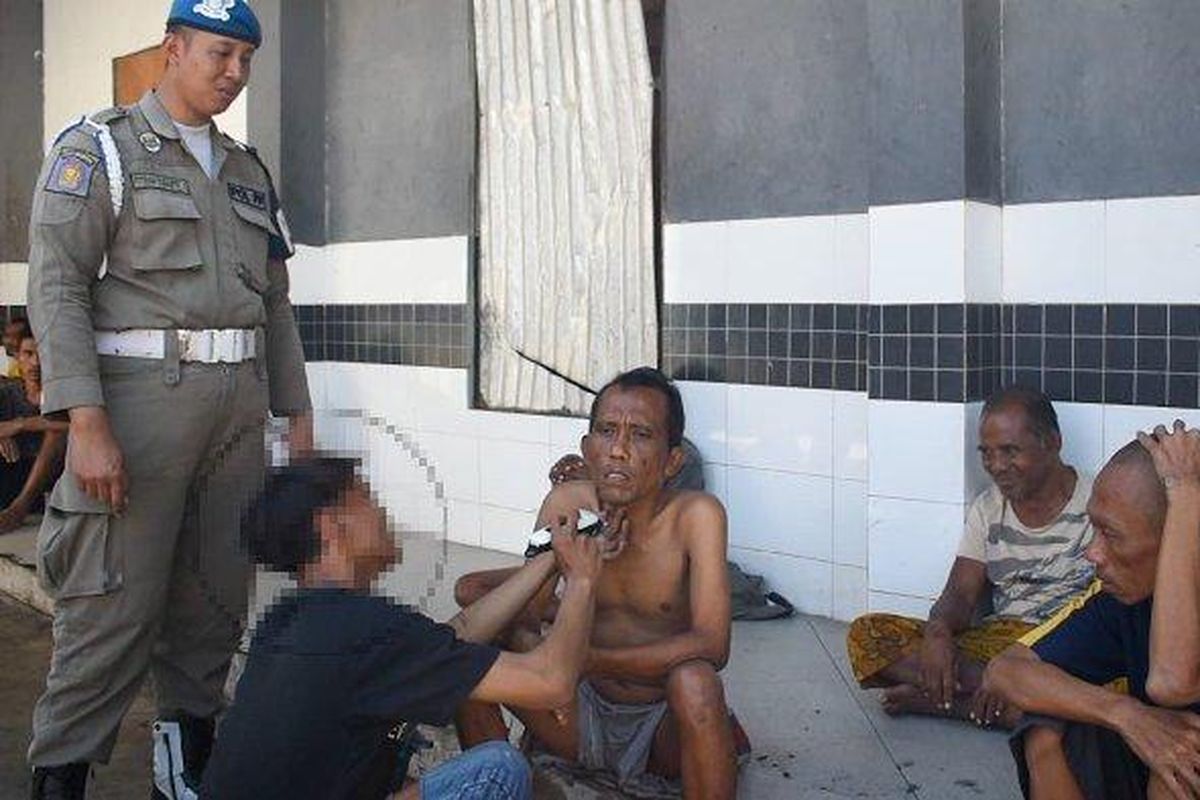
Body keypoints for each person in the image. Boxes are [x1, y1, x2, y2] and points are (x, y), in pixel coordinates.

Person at [25, 2, 311, 797]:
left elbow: (276, 304)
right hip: (138, 411)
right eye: (221, 54)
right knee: (108, 613)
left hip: (237, 413)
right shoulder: (101, 150)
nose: (235, 73)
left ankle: (181, 775)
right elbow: (55, 283)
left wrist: (299, 417)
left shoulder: (247, 170)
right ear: (173, 49)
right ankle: (62, 779)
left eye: (246, 60)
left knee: (214, 606)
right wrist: (84, 419)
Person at [201, 456, 604, 800]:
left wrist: (549, 558)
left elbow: (457, 634)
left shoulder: (292, 618)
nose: (383, 512)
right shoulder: (365, 631)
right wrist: (582, 580)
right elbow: (551, 681)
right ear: (333, 527)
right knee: (497, 770)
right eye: (367, 498)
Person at [456, 367, 738, 799]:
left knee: (696, 682)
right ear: (587, 449)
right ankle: (499, 787)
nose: (619, 450)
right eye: (607, 431)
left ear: (672, 460)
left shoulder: (697, 515)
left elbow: (712, 645)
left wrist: (590, 659)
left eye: (641, 434)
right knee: (465, 659)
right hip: (573, 712)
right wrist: (565, 557)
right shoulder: (565, 503)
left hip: (658, 724)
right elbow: (524, 619)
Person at [845, 386, 1093, 727]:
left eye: (1009, 451)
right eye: (987, 453)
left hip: (1065, 646)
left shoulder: (1099, 501)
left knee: (1116, 680)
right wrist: (938, 633)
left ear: (1052, 442)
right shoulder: (988, 508)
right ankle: (1016, 702)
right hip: (999, 643)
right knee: (867, 634)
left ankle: (949, 702)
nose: (996, 466)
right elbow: (960, 594)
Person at [984, 423, 1200, 800]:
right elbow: (1005, 669)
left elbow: (1172, 682)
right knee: (1049, 721)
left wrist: (1183, 491)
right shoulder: (1120, 601)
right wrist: (1127, 715)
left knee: (1181, 759)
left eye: (1111, 535)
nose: (1093, 553)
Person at [0, 335, 67, 533]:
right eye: (28, 354)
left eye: (41, 355)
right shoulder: (7, 393)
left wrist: (20, 425)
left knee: (56, 433)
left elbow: (79, 425)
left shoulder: (63, 394)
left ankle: (19, 509)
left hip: (52, 476)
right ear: (17, 357)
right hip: (14, 470)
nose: (35, 363)